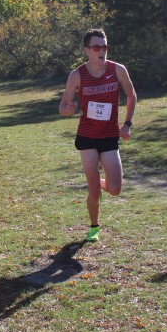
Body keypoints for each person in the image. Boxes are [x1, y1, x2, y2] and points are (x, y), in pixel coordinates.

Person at [59, 28, 136, 243]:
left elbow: (131, 95)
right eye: (96, 47)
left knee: (115, 189)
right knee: (93, 189)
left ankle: (99, 180)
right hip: (87, 136)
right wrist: (68, 109)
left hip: (109, 136)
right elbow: (63, 106)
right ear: (87, 50)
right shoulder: (77, 75)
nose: (101, 51)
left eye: (105, 47)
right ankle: (94, 227)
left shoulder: (118, 70)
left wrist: (127, 124)